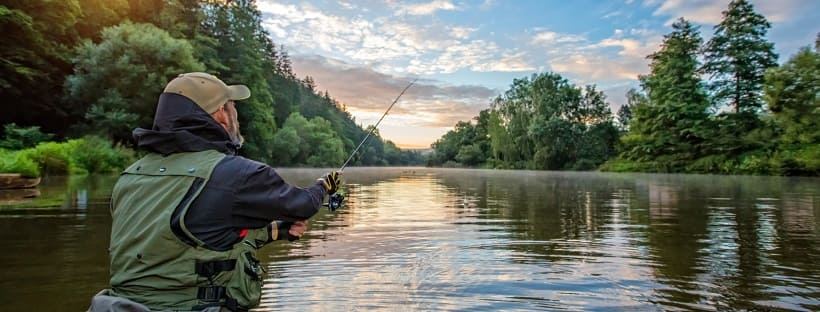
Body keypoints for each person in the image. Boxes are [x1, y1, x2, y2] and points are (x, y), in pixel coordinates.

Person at [88, 72, 341, 311]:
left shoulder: (131, 175)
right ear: (220, 113)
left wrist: (276, 231)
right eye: (233, 108)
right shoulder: (238, 174)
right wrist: (322, 186)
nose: (237, 117)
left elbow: (184, 237)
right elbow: (303, 205)